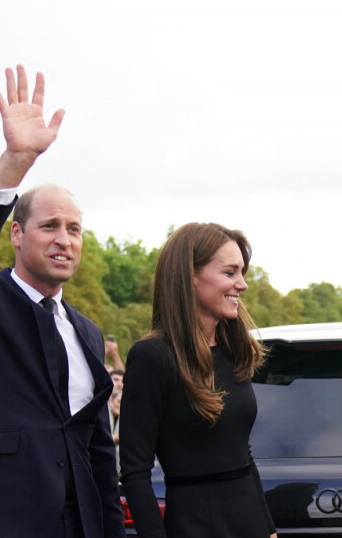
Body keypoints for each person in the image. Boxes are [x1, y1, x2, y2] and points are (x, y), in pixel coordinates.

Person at [0, 65, 124, 538]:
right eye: (50, 226)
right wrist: (14, 163)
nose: (64, 240)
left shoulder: (87, 332)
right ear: (16, 234)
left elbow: (98, 450)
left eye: (74, 229)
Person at [119, 223, 277, 538]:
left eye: (241, 272)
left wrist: (269, 530)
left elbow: (241, 453)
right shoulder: (152, 357)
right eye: (230, 272)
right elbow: (135, 474)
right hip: (195, 526)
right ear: (190, 276)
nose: (242, 285)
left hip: (252, 526)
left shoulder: (235, 350)